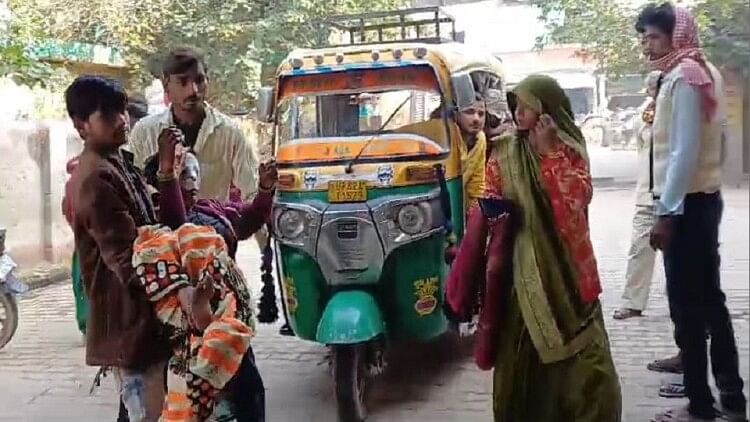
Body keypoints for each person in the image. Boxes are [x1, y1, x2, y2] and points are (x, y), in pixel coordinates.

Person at [450, 74, 621, 421]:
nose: (519, 112)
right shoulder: (507, 149)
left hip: (566, 271)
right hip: (522, 271)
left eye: (527, 105)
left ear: (548, 109)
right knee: (521, 353)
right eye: (516, 105)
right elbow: (491, 195)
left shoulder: (568, 146)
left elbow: (577, 200)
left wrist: (549, 154)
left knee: (584, 357)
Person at [636, 4, 746, 421]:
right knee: (710, 304)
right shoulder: (698, 71)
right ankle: (731, 396)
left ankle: (700, 405)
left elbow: (683, 152)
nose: (647, 45)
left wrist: (667, 213)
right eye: (644, 37)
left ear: (676, 36)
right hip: (700, 202)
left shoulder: (685, 77)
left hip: (686, 207)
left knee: (689, 305)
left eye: (654, 37)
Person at [65, 75, 191, 422]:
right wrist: (184, 292)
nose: (123, 121)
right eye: (109, 115)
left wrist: (166, 173)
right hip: (130, 327)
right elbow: (129, 262)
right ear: (81, 126)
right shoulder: (95, 180)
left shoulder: (117, 163)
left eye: (122, 112)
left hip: (142, 324)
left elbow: (154, 230)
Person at [129, 47, 259, 203]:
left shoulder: (230, 133)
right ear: (166, 85)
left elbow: (252, 192)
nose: (193, 90)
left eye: (199, 80)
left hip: (213, 225)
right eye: (182, 81)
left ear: (207, 81)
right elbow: (134, 189)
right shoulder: (144, 131)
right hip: (160, 226)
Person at [613, 70, 663, 320]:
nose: (650, 92)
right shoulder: (647, 109)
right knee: (638, 249)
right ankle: (633, 302)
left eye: (654, 87)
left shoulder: (680, 109)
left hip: (674, 196)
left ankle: (697, 313)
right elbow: (638, 137)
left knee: (684, 257)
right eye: (649, 88)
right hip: (646, 194)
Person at [454, 94, 487, 211]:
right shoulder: (445, 135)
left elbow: (477, 183)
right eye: (469, 112)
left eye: (481, 114)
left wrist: (475, 216)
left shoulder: (480, 138)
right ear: (456, 114)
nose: (476, 119)